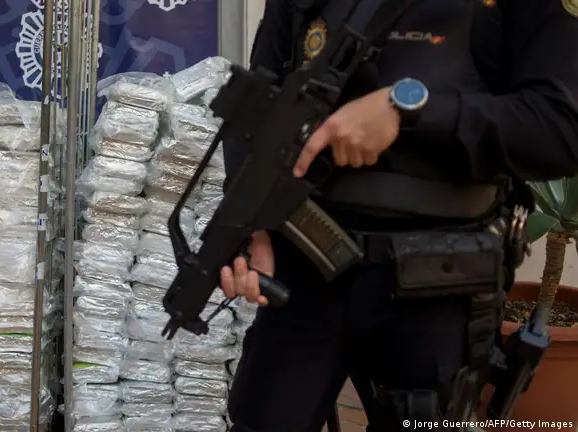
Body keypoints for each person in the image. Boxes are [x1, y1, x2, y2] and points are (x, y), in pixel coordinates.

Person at [220, 0, 578, 430]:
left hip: (438, 285)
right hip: (304, 269)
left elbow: (559, 129)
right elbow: (259, 106)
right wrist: (250, 227)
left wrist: (410, 110)